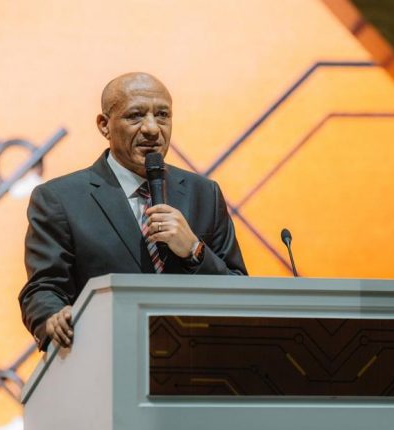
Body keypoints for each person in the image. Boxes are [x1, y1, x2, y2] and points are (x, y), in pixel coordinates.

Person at [18, 72, 247, 350]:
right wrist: (52, 317)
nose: (152, 128)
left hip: (196, 359)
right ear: (104, 125)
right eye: (135, 116)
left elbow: (241, 293)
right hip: (106, 356)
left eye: (162, 115)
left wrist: (194, 251)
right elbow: (44, 288)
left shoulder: (204, 193)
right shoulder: (60, 198)